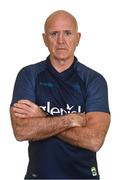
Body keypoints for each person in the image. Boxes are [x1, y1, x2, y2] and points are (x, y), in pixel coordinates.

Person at [10, 10, 110, 179]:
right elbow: (21, 130)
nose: (61, 41)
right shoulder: (29, 75)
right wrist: (70, 120)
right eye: (54, 33)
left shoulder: (93, 80)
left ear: (78, 38)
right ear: (44, 39)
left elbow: (93, 140)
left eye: (68, 33)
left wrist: (42, 117)